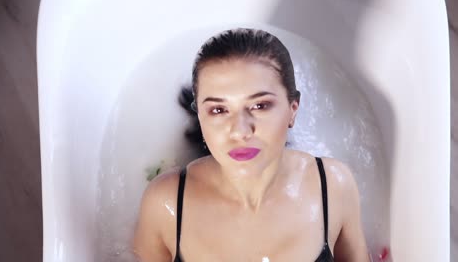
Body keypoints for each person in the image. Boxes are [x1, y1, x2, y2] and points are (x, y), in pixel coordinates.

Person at [133, 28, 369, 262]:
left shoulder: (334, 186)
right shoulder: (166, 204)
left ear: (292, 110)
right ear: (201, 118)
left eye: (260, 106)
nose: (240, 131)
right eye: (218, 110)